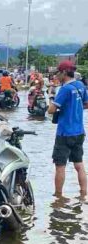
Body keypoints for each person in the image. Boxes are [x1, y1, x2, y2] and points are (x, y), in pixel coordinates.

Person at [47, 61, 88, 199]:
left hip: (64, 133)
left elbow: (51, 110)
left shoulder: (64, 89)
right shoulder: (80, 85)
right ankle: (83, 194)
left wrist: (52, 100)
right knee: (79, 164)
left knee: (60, 166)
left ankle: (58, 197)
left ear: (64, 73)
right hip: (79, 132)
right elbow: (86, 104)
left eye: (58, 72)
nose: (57, 75)